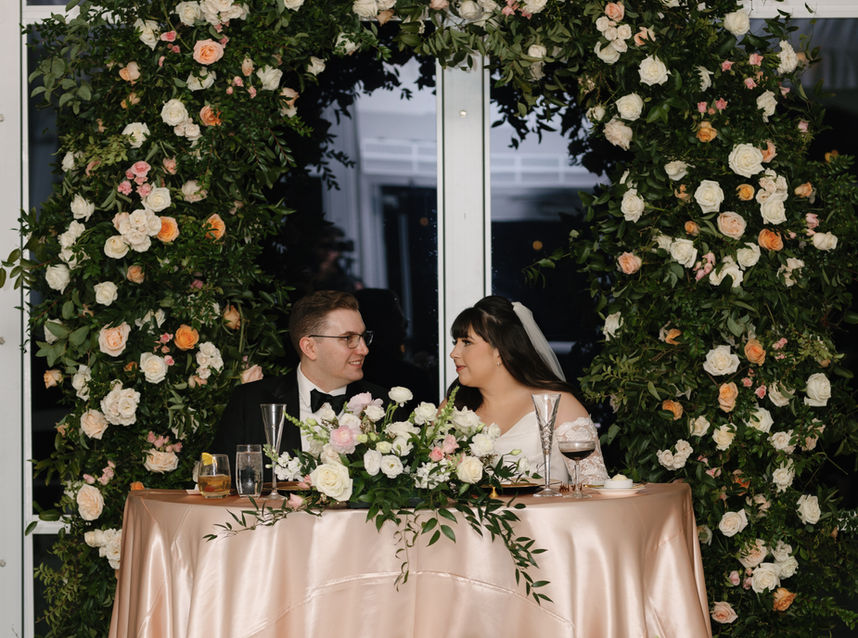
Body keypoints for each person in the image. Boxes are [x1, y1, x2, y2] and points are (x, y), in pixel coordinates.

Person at [211, 290, 387, 470]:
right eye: (348, 338)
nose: (364, 350)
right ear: (310, 347)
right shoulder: (249, 402)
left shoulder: (384, 407)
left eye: (363, 337)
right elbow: (221, 476)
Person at [446, 295, 608, 484]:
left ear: (499, 350)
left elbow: (594, 486)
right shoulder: (454, 407)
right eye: (455, 343)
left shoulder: (558, 404)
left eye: (466, 342)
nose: (453, 353)